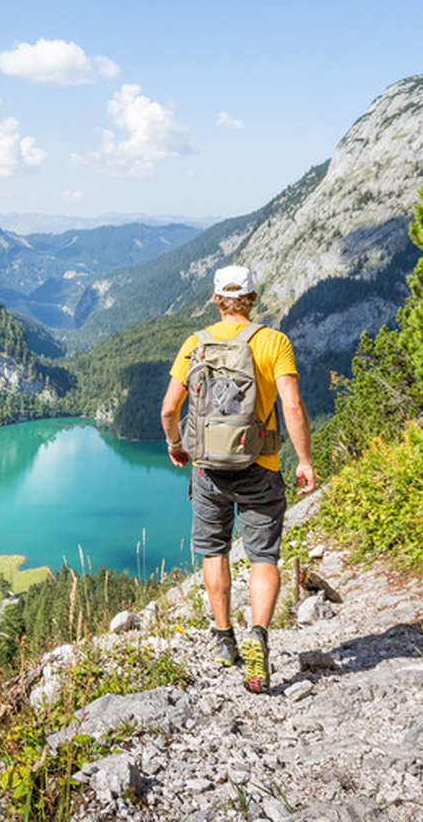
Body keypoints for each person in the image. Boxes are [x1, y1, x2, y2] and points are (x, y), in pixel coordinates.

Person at [160, 264, 316, 694]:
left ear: (215, 299)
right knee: (263, 557)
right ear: (252, 298)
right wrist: (304, 460)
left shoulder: (195, 343)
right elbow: (293, 405)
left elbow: (169, 409)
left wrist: (177, 444)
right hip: (260, 465)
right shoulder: (273, 342)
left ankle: (223, 638)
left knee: (214, 550)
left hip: (208, 467)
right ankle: (258, 635)